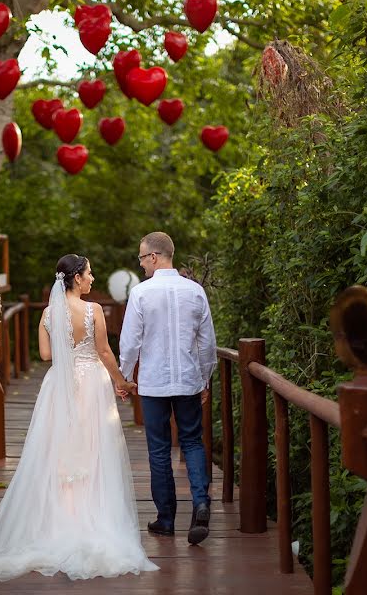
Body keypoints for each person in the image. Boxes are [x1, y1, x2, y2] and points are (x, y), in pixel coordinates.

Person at [0, 254, 159, 584]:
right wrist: (121, 381)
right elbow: (104, 352)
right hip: (92, 385)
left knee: (60, 448)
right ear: (77, 278)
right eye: (89, 273)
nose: (93, 278)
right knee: (93, 447)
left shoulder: (47, 313)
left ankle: (61, 518)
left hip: (60, 385)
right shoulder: (93, 311)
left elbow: (45, 355)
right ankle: (91, 514)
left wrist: (68, 352)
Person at [118, 232, 217, 545]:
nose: (142, 265)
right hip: (188, 380)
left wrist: (123, 376)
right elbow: (207, 343)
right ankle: (201, 502)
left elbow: (130, 341)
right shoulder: (195, 292)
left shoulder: (142, 294)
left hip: (154, 384)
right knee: (192, 442)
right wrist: (205, 378)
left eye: (142, 259)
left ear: (154, 257)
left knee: (159, 450)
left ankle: (166, 519)